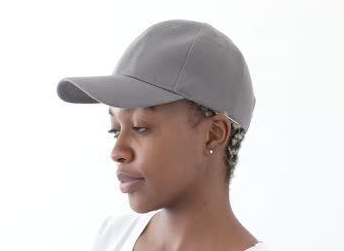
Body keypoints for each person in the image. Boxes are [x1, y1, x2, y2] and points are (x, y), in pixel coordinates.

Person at [56, 19, 268, 251]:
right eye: (115, 131)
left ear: (213, 134)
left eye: (140, 128)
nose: (117, 152)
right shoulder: (112, 237)